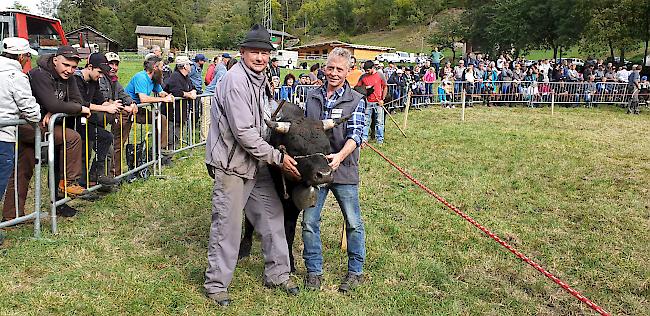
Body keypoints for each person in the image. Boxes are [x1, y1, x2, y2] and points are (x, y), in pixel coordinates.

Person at [204, 24, 300, 306]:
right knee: (228, 228)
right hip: (233, 165)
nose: (260, 57)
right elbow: (244, 132)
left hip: (255, 164)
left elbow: (265, 118)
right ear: (243, 52)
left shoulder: (260, 79)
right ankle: (216, 285)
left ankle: (278, 274)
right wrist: (278, 158)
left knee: (272, 218)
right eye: (255, 52)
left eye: (265, 53)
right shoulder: (236, 81)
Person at [303, 47, 366, 293]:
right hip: (316, 172)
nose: (334, 73)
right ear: (324, 67)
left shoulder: (356, 100)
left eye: (340, 69)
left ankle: (355, 272)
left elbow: (357, 135)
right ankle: (314, 271)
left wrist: (339, 157)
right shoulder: (312, 96)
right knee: (309, 221)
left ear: (349, 71)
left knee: (353, 222)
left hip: (344, 169)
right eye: (331, 67)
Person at [3, 45, 92, 221]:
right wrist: (59, 108)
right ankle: (68, 182)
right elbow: (68, 105)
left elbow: (77, 101)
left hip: (42, 124)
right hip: (27, 123)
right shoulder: (39, 74)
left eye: (74, 67)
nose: (69, 70)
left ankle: (11, 216)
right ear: (55, 60)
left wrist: (56, 110)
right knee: (72, 138)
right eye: (66, 65)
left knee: (23, 168)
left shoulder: (70, 77)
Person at [0, 38, 40, 200]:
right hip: (4, 135)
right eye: (28, 56)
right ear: (22, 56)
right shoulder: (16, 77)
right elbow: (32, 111)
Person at [73, 52, 121, 187]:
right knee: (83, 153)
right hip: (73, 123)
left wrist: (111, 105)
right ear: (89, 67)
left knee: (106, 137)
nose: (100, 76)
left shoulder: (94, 81)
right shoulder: (76, 80)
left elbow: (100, 100)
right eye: (99, 72)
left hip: (85, 122)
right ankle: (80, 184)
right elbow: (81, 103)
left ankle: (96, 173)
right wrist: (106, 109)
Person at [98, 52, 149, 178]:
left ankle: (116, 174)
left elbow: (123, 94)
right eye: (111, 64)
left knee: (117, 145)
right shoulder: (100, 79)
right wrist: (124, 107)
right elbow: (102, 98)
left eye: (116, 64)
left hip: (111, 117)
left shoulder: (114, 80)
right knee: (108, 147)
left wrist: (131, 103)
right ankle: (105, 176)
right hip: (97, 119)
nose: (114, 67)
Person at [124, 54, 175, 162]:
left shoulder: (154, 79)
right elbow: (143, 99)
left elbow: (161, 92)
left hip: (138, 109)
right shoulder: (141, 77)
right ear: (155, 68)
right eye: (161, 67)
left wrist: (168, 96)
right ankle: (116, 169)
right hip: (127, 109)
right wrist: (163, 100)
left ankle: (159, 150)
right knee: (121, 139)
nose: (163, 70)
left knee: (161, 119)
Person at [163, 56, 197, 149]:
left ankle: (171, 153)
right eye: (189, 65)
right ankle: (165, 156)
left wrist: (193, 91)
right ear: (185, 66)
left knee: (176, 134)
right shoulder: (175, 76)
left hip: (180, 112)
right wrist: (189, 95)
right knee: (170, 135)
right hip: (172, 113)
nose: (191, 66)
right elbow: (176, 91)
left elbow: (192, 86)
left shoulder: (186, 77)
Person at [357, 60, 387, 145]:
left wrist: (382, 99)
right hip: (368, 102)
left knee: (379, 122)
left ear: (373, 68)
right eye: (365, 70)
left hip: (378, 103)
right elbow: (358, 87)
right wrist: (365, 88)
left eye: (368, 70)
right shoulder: (363, 77)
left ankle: (380, 140)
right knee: (366, 122)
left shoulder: (380, 75)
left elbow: (385, 87)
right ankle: (364, 140)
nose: (366, 72)